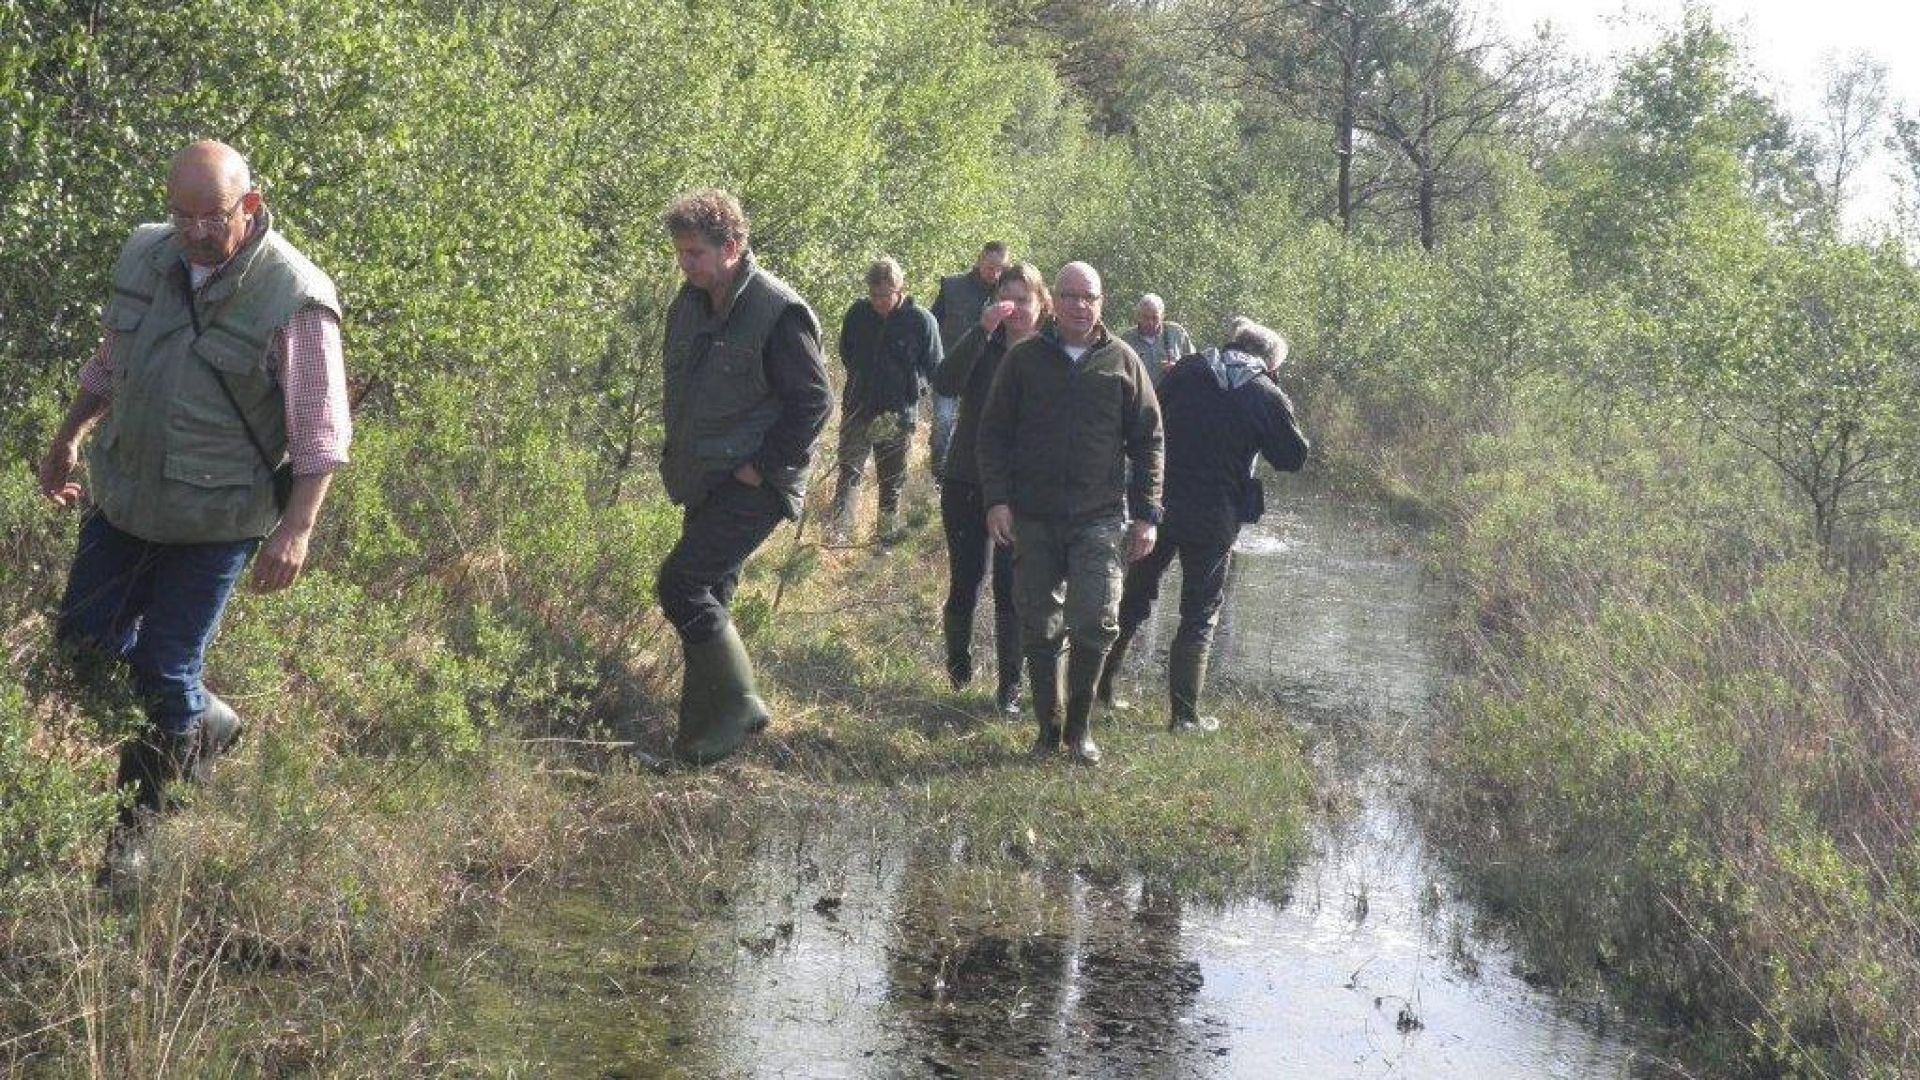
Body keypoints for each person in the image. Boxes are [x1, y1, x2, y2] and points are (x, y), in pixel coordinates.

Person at [38, 140, 352, 868]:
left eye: (210, 216)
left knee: (165, 664)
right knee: (83, 643)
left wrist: (296, 531)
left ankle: (134, 840)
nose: (194, 231)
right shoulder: (146, 255)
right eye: (181, 214)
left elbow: (321, 432)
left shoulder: (295, 294)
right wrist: (68, 435)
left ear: (249, 204)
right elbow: (111, 360)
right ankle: (206, 723)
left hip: (219, 517)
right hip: (126, 494)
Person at [657, 189, 832, 765]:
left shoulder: (777, 310)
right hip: (705, 479)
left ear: (731, 247)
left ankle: (742, 706)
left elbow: (813, 402)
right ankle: (697, 748)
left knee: (681, 585)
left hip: (755, 484)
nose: (686, 265)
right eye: (681, 254)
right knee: (708, 602)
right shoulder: (691, 304)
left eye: (695, 254)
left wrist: (762, 469)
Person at [977, 262, 1162, 765]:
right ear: (1053, 301)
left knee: (1096, 622)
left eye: (1090, 297)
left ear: (1102, 303)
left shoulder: (1123, 361)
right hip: (1032, 518)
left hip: (1099, 517)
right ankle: (1047, 728)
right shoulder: (1025, 360)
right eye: (1071, 296)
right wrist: (997, 500)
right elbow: (992, 434)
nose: (1081, 305)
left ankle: (1079, 730)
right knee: (1038, 626)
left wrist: (1147, 515)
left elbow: (1149, 440)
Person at [1098, 318, 1308, 732]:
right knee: (1199, 614)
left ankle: (1099, 689)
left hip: (1160, 504)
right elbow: (1292, 458)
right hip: (1216, 516)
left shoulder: (1189, 370)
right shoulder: (1266, 394)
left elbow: (1148, 422)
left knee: (1135, 597)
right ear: (1269, 362)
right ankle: (1184, 718)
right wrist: (1279, 397)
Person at [931, 262, 1050, 716]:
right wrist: (980, 331)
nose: (1016, 309)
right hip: (966, 479)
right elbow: (944, 382)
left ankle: (1009, 691)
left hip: (1022, 490)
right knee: (966, 580)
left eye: (1024, 300)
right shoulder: (985, 341)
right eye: (1009, 299)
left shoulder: (1052, 353)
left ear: (1042, 305)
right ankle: (958, 669)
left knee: (1011, 587)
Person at [826, 257, 941, 543]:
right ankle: (839, 533)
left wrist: (914, 388)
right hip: (858, 408)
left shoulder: (921, 321)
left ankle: (885, 539)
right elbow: (847, 352)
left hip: (897, 415)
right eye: (873, 294)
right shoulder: (857, 314)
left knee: (891, 482)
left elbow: (935, 365)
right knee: (849, 472)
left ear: (900, 289)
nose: (878, 301)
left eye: (885, 295)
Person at [928, 242, 1008, 475]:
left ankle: (965, 472)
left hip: (987, 373)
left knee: (976, 427)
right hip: (950, 368)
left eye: (1000, 269)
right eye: (990, 267)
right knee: (943, 423)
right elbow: (932, 324)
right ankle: (938, 475)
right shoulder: (952, 287)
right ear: (979, 260)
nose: (994, 273)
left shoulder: (1008, 295)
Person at [1120, 293, 1194, 389]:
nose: (1150, 322)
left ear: (1163, 316)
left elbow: (1194, 367)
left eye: (1155, 318)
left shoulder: (1177, 333)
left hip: (1173, 397)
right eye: (1145, 317)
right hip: (1141, 399)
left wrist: (1178, 369)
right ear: (1138, 316)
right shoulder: (1127, 339)